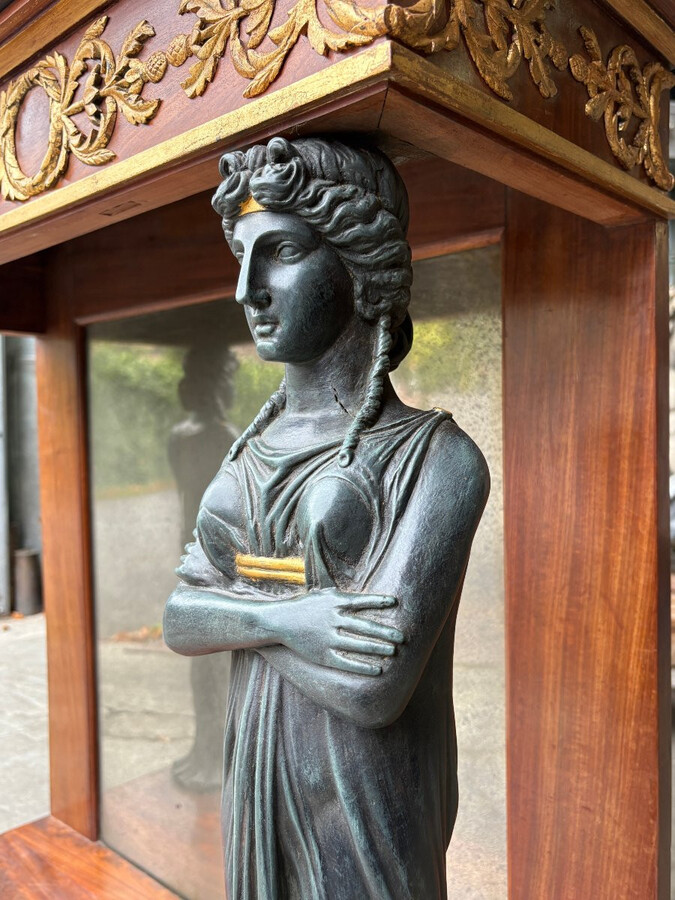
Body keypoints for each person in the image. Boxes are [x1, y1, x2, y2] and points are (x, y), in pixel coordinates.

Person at [163, 136, 489, 899]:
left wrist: (234, 611)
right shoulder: (244, 454)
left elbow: (371, 686)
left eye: (281, 251)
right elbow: (177, 620)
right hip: (256, 777)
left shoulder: (440, 461)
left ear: (359, 263)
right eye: (240, 256)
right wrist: (298, 619)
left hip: (363, 805)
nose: (247, 290)